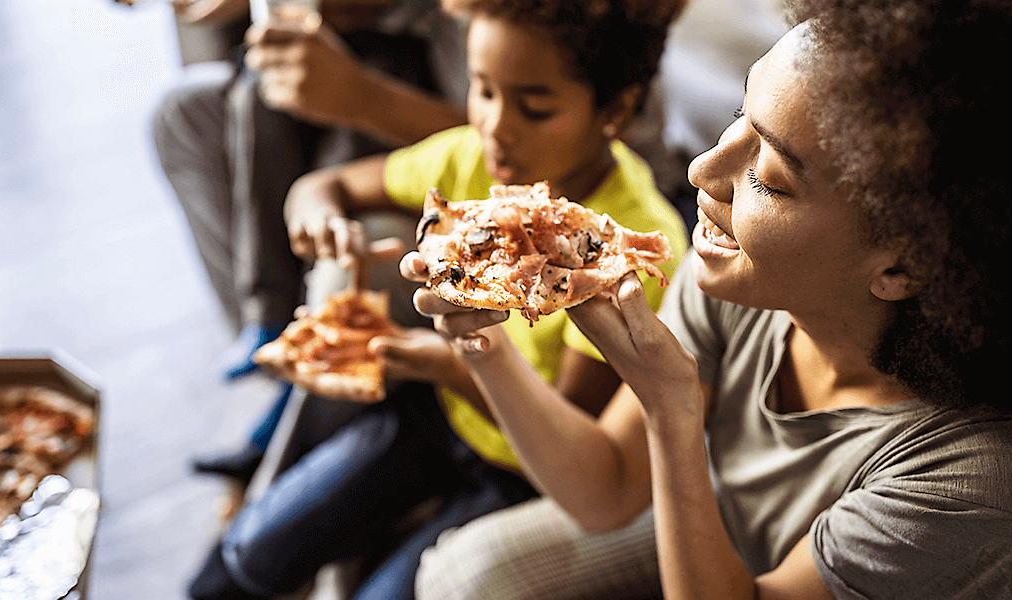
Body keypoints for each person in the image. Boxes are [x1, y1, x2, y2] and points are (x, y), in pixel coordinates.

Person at [405, 0, 1012, 598]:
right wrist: (478, 343)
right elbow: (608, 490)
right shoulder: (738, 276)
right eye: (736, 115)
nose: (701, 169)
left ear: (905, 264)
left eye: (770, 175)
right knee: (463, 572)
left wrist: (671, 410)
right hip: (726, 522)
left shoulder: (964, 483)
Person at [185, 0, 689, 597]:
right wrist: (320, 218)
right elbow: (327, 185)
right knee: (252, 550)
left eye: (535, 107)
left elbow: (566, 423)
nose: (496, 126)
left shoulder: (623, 256)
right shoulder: (468, 158)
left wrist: (445, 358)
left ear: (619, 108)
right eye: (482, 90)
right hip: (441, 418)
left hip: (526, 470)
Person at [151, 0, 470, 482]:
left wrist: (364, 99)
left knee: (357, 255)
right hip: (363, 124)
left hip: (438, 168)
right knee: (186, 110)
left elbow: (506, 141)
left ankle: (286, 459)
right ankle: (279, 343)